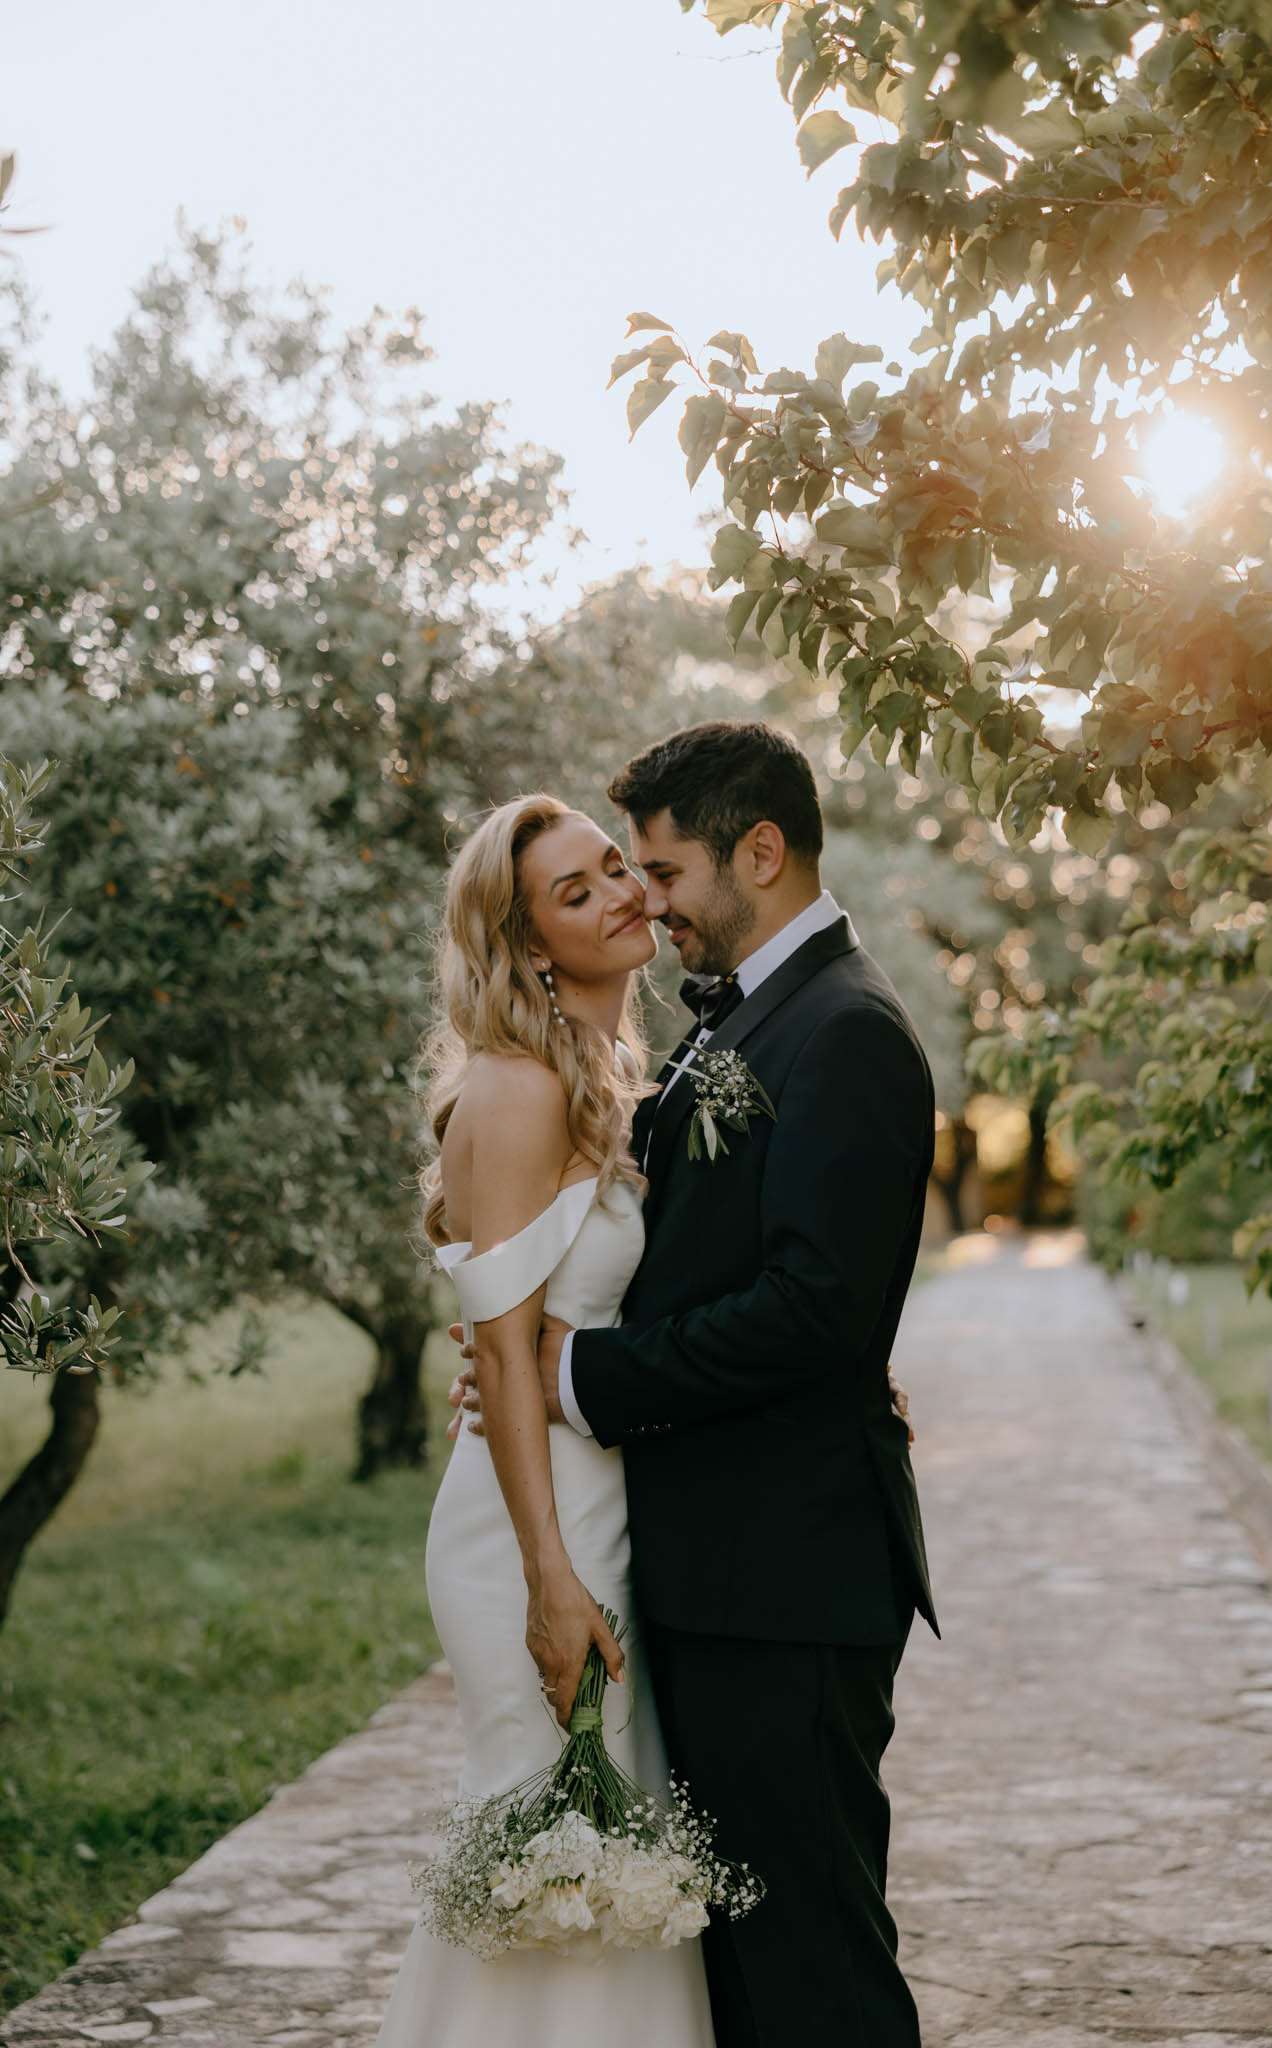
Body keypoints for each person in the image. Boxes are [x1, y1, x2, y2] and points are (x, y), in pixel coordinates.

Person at [453, 721, 940, 2046]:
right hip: (724, 1567)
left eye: (662, 873)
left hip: (786, 1575)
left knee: (814, 1960)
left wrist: (580, 1376)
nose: (645, 903)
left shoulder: (843, 1032)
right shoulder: (738, 1025)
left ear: (761, 853)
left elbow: (814, 1311)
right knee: (748, 1963)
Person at [372, 792, 715, 2047]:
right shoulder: (512, 1094)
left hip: (607, 1501)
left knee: (612, 1837)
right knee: (549, 1841)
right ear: (526, 945)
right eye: (576, 891)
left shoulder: (612, 1078)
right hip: (536, 1525)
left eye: (617, 865)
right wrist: (549, 1579)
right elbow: (506, 1365)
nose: (622, 891)